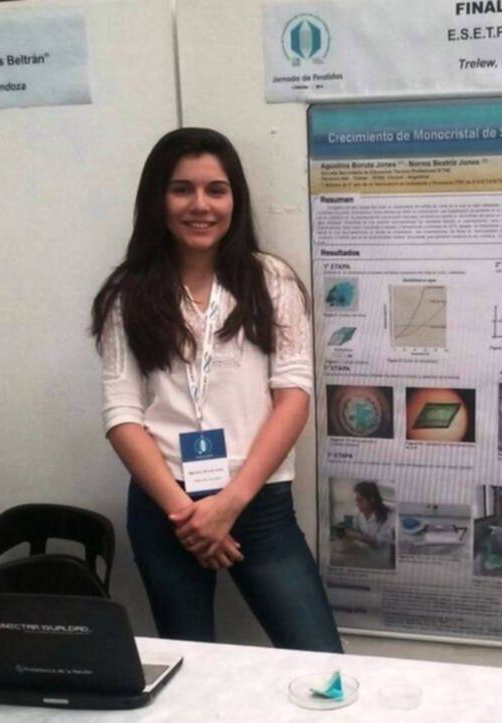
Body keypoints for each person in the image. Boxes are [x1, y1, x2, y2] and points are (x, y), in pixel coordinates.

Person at [91, 128, 342, 651]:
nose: (200, 205)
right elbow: (122, 415)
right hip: (166, 507)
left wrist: (229, 503)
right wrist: (187, 516)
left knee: (319, 661)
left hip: (258, 501)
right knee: (189, 664)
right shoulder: (128, 292)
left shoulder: (271, 280)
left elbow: (293, 397)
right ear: (158, 198)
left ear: (235, 200)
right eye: (182, 189)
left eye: (216, 190)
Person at [347, 481, 395, 550]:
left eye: (360, 501)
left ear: (372, 499)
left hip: (381, 554)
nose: (357, 504)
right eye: (356, 501)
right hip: (364, 551)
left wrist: (357, 536)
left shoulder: (387, 517)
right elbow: (355, 530)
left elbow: (379, 541)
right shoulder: (358, 514)